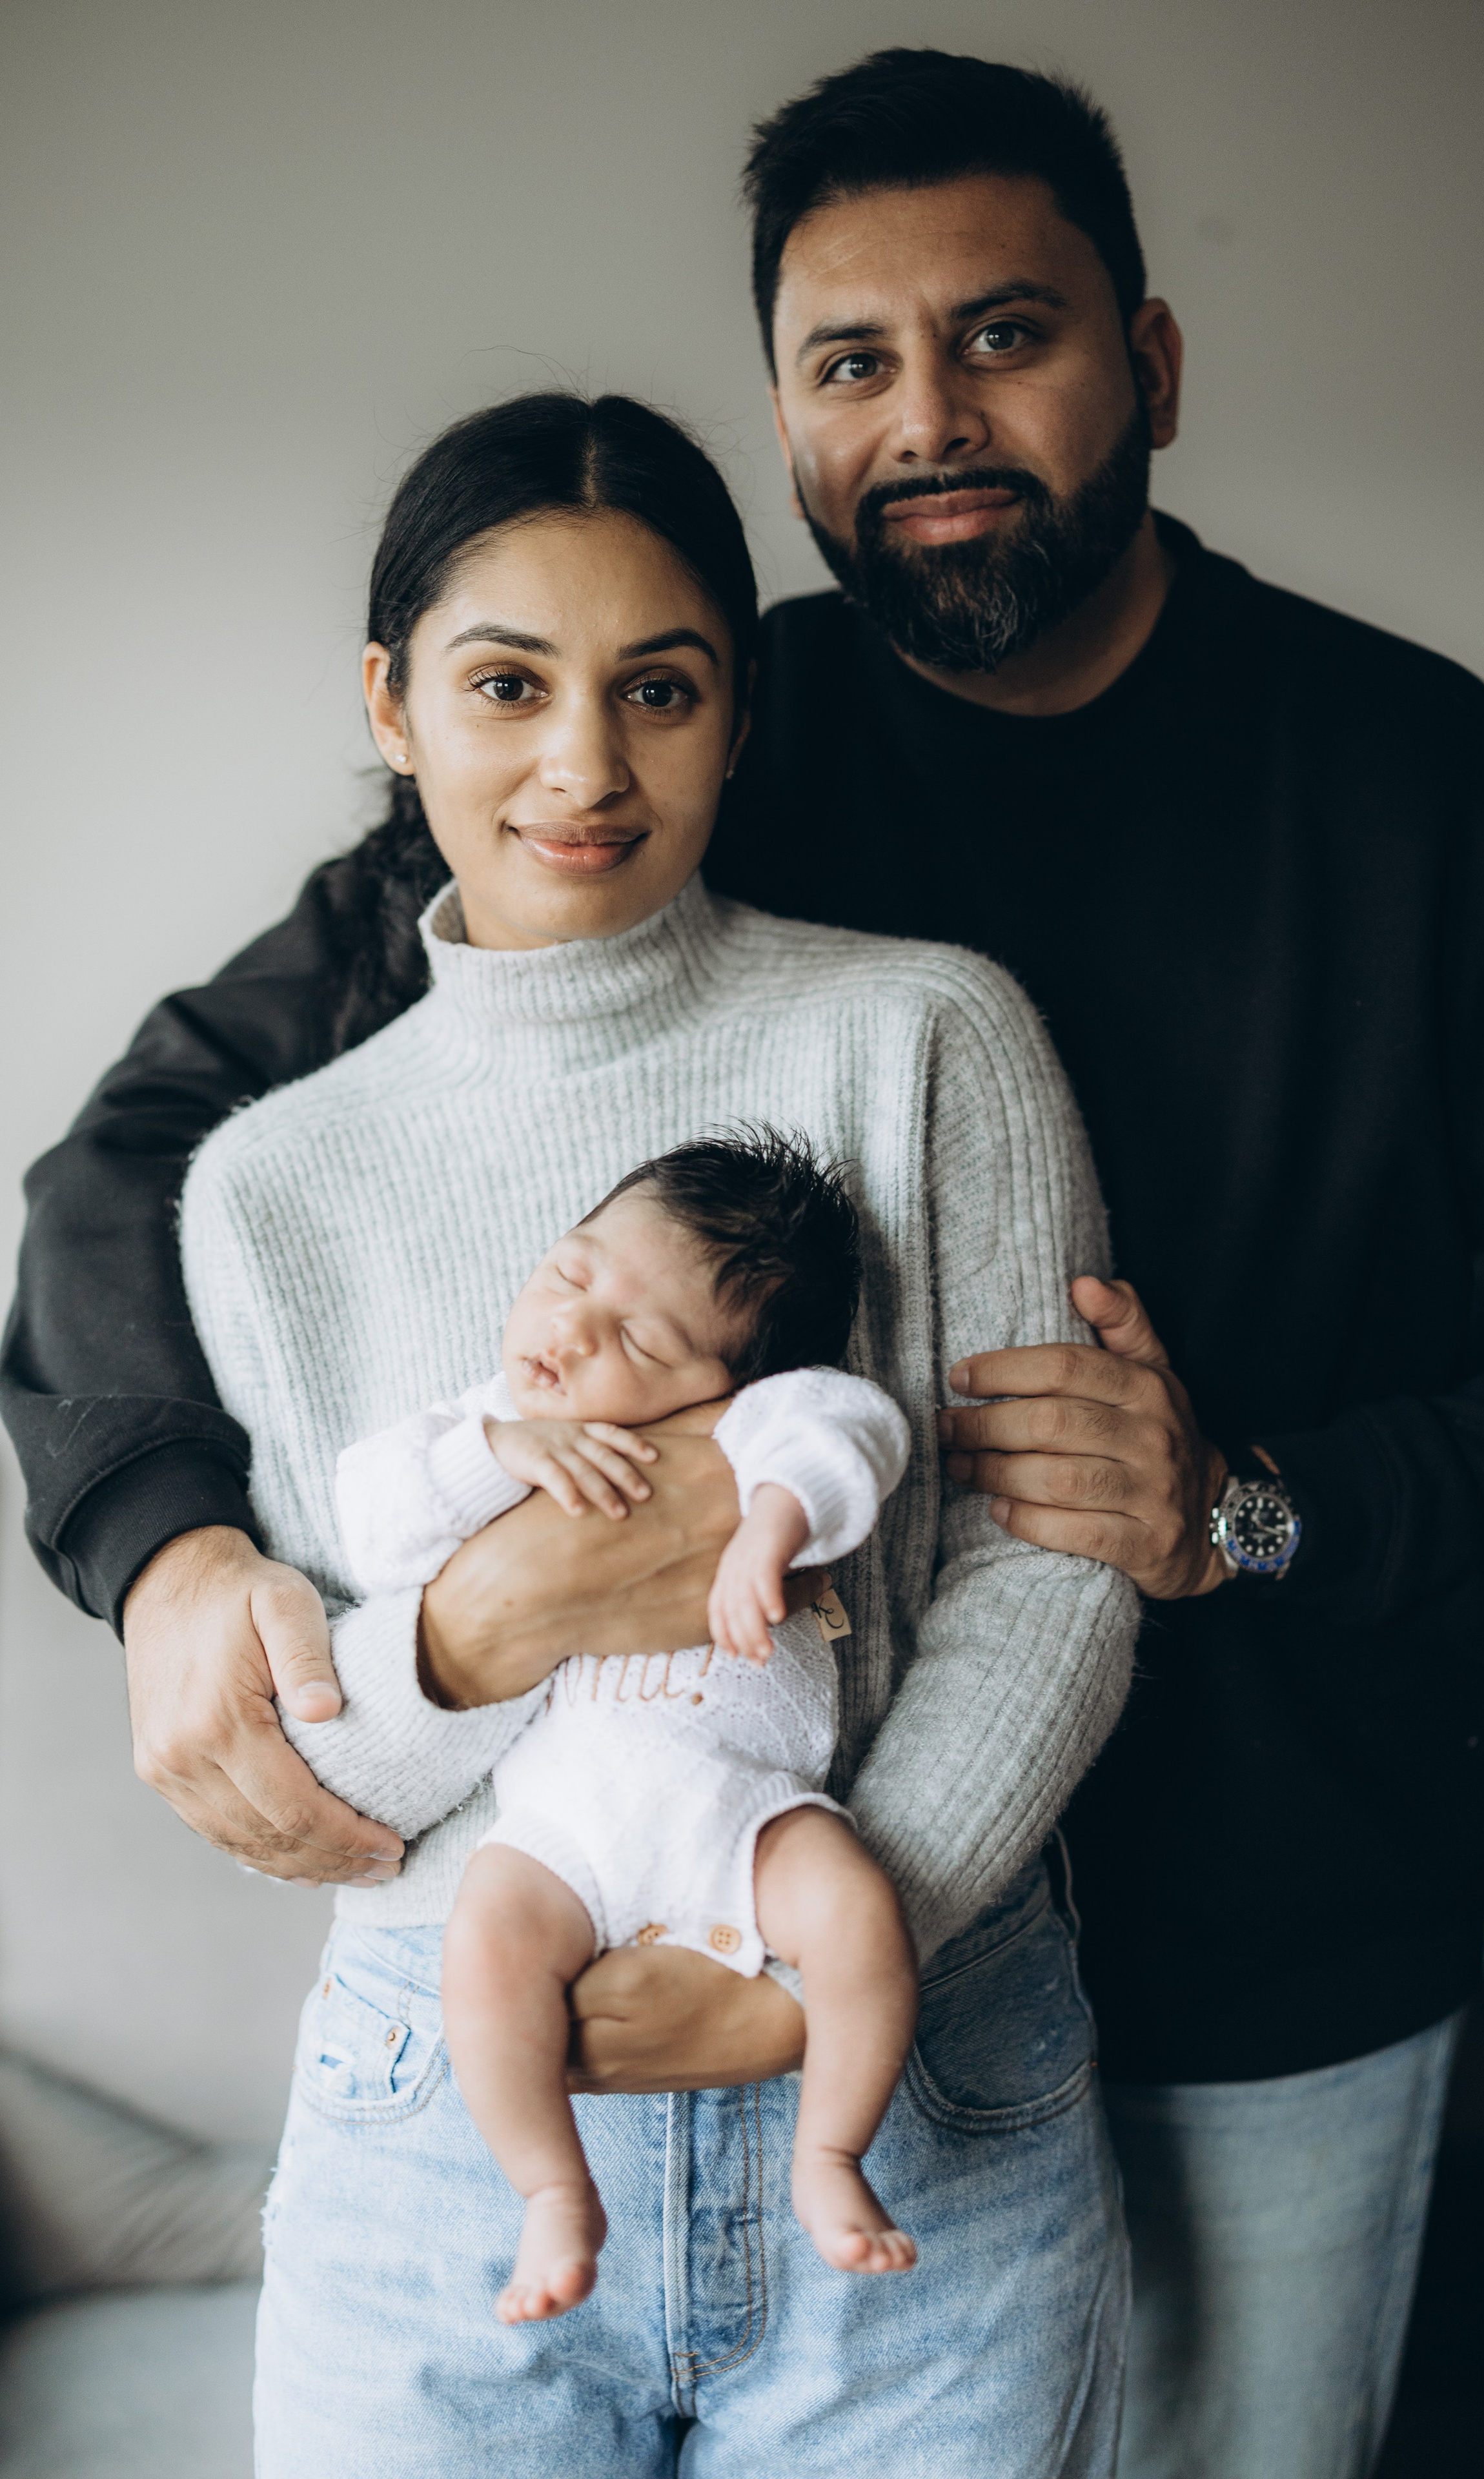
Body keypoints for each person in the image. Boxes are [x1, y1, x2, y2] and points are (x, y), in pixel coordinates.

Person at [6, 41, 1484, 2479]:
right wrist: (163, 1549)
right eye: (851, 363)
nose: (932, 417)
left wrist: (1258, 1504)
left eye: (1008, 334)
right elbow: (158, 1152)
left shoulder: (1458, 816)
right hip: (701, 1908)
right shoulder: (680, 735)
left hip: (1268, 1953)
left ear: (1154, 363)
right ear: (783, 409)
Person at [151, 384, 1137, 2473]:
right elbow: (333, 1760)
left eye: (659, 690)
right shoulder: (267, 1189)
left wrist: (831, 1953)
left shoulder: (926, 1035)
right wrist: (487, 1614)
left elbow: (1047, 1567)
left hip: (916, 2085)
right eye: (506, 685)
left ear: (741, 709)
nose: (585, 766)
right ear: (392, 704)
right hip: (456, 2119)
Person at [313, 1130, 920, 2316]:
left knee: (859, 1916)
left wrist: (767, 1526)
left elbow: (853, 1430)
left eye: (642, 1339)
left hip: (747, 1803)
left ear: (721, 1383)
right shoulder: (477, 1430)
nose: (578, 1329)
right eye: (571, 1275)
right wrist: (500, 1453)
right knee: (482, 1955)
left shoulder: (755, 1424)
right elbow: (373, 1523)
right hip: (568, 1828)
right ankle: (551, 2192)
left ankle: (831, 2156)